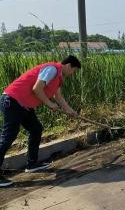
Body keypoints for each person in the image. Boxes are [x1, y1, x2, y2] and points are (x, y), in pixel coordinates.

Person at [0, 55, 81, 187]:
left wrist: (70, 111)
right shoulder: (52, 69)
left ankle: (31, 164)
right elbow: (37, 88)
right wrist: (49, 104)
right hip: (13, 101)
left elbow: (59, 98)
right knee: (8, 136)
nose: (73, 74)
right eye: (74, 70)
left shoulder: (58, 78)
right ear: (68, 66)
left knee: (36, 129)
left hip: (24, 105)